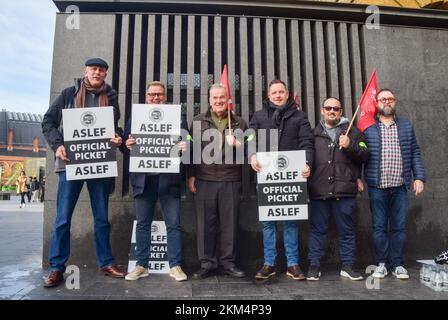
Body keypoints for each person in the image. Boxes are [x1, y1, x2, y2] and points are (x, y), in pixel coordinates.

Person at [41, 58, 125, 288]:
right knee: (62, 219)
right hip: (70, 163)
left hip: (99, 163)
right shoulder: (69, 93)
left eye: (101, 70)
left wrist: (117, 137)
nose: (97, 73)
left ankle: (106, 262)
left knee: (101, 218)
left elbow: (113, 126)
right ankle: (56, 267)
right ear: (85, 71)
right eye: (93, 69)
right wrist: (57, 144)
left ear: (105, 73)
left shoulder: (112, 97)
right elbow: (48, 121)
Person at [122, 81, 188, 282]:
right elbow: (125, 144)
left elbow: (189, 143)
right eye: (152, 94)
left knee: (174, 224)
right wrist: (127, 143)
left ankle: (175, 266)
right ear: (146, 96)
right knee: (143, 223)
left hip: (169, 180)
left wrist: (186, 146)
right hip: (143, 181)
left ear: (165, 96)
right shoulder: (136, 118)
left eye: (159, 94)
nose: (156, 98)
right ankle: (142, 265)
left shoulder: (178, 118)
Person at [249, 79, 314, 281]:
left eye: (281, 92)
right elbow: (250, 138)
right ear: (268, 96)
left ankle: (292, 264)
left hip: (291, 178)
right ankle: (269, 263)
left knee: (290, 222)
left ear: (287, 94)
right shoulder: (259, 116)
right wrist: (252, 155)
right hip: (267, 176)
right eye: (274, 92)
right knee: (268, 223)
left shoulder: (300, 116)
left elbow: (307, 142)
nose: (278, 95)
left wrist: (307, 164)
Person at [364, 88, 426, 280]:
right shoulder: (368, 128)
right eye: (383, 99)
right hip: (377, 187)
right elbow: (358, 157)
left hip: (400, 186)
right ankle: (382, 264)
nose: (387, 102)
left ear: (395, 102)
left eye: (390, 98)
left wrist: (419, 177)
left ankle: (398, 264)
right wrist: (356, 177)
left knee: (398, 227)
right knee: (379, 227)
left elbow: (414, 151)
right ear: (377, 103)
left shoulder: (406, 126)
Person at [188, 84, 247, 279]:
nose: (219, 101)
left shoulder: (239, 123)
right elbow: (191, 151)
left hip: (231, 179)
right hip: (205, 179)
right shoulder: (197, 121)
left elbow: (252, 150)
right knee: (205, 224)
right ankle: (206, 263)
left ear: (227, 99)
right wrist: (191, 175)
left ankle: (228, 263)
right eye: (215, 98)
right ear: (209, 100)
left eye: (222, 97)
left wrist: (238, 144)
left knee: (229, 225)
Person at [306, 97, 369, 281]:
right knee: (317, 231)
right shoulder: (312, 133)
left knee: (347, 230)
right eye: (328, 108)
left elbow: (365, 153)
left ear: (341, 112)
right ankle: (314, 265)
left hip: (345, 190)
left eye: (336, 108)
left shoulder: (354, 132)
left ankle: (348, 266)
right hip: (319, 190)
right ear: (322, 110)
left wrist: (350, 146)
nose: (332, 111)